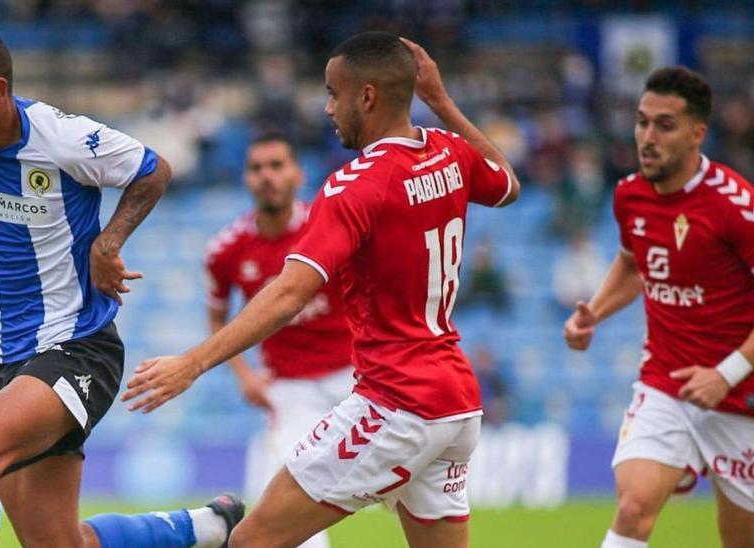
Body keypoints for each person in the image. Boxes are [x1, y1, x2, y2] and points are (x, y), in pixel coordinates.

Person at [123, 32, 520, 547]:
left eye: (334, 93)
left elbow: (290, 294)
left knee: (249, 541)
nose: (328, 108)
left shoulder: (354, 186)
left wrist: (193, 363)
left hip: (395, 399)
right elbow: (507, 184)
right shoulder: (447, 153)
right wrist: (441, 103)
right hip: (454, 401)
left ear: (368, 97)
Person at [0, 21, 242, 548]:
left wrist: (107, 243)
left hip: (78, 347)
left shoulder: (61, 139)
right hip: (5, 357)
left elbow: (153, 169)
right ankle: (207, 528)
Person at [562, 66, 754, 548]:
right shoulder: (630, 195)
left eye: (664, 125)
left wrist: (725, 374)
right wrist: (595, 313)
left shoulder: (735, 206)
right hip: (665, 382)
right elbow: (633, 264)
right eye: (642, 122)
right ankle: (680, 461)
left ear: (697, 133)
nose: (647, 137)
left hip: (739, 396)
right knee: (633, 509)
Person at [204, 131, 354, 548]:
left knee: (408, 483)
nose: (267, 176)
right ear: (246, 179)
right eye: (256, 168)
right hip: (289, 389)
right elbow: (217, 318)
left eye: (276, 165)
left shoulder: (328, 226)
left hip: (357, 376)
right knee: (288, 498)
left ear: (296, 174)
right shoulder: (226, 249)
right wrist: (243, 376)